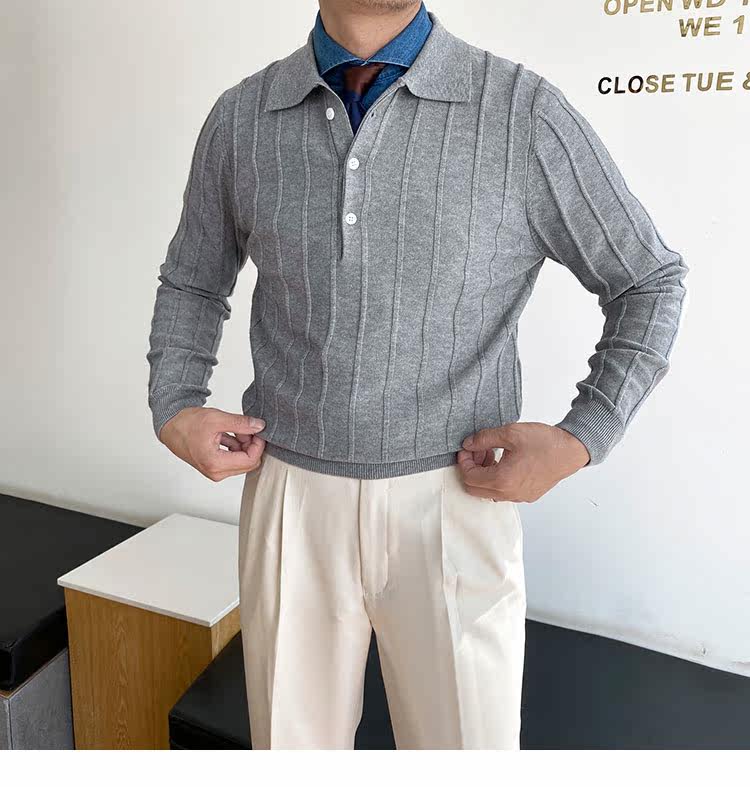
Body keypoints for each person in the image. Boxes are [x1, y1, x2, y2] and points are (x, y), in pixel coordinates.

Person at [146, 0, 688, 749]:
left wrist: (581, 436)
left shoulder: (521, 112)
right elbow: (193, 280)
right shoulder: (243, 118)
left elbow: (648, 280)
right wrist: (175, 401)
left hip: (458, 496)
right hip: (290, 493)